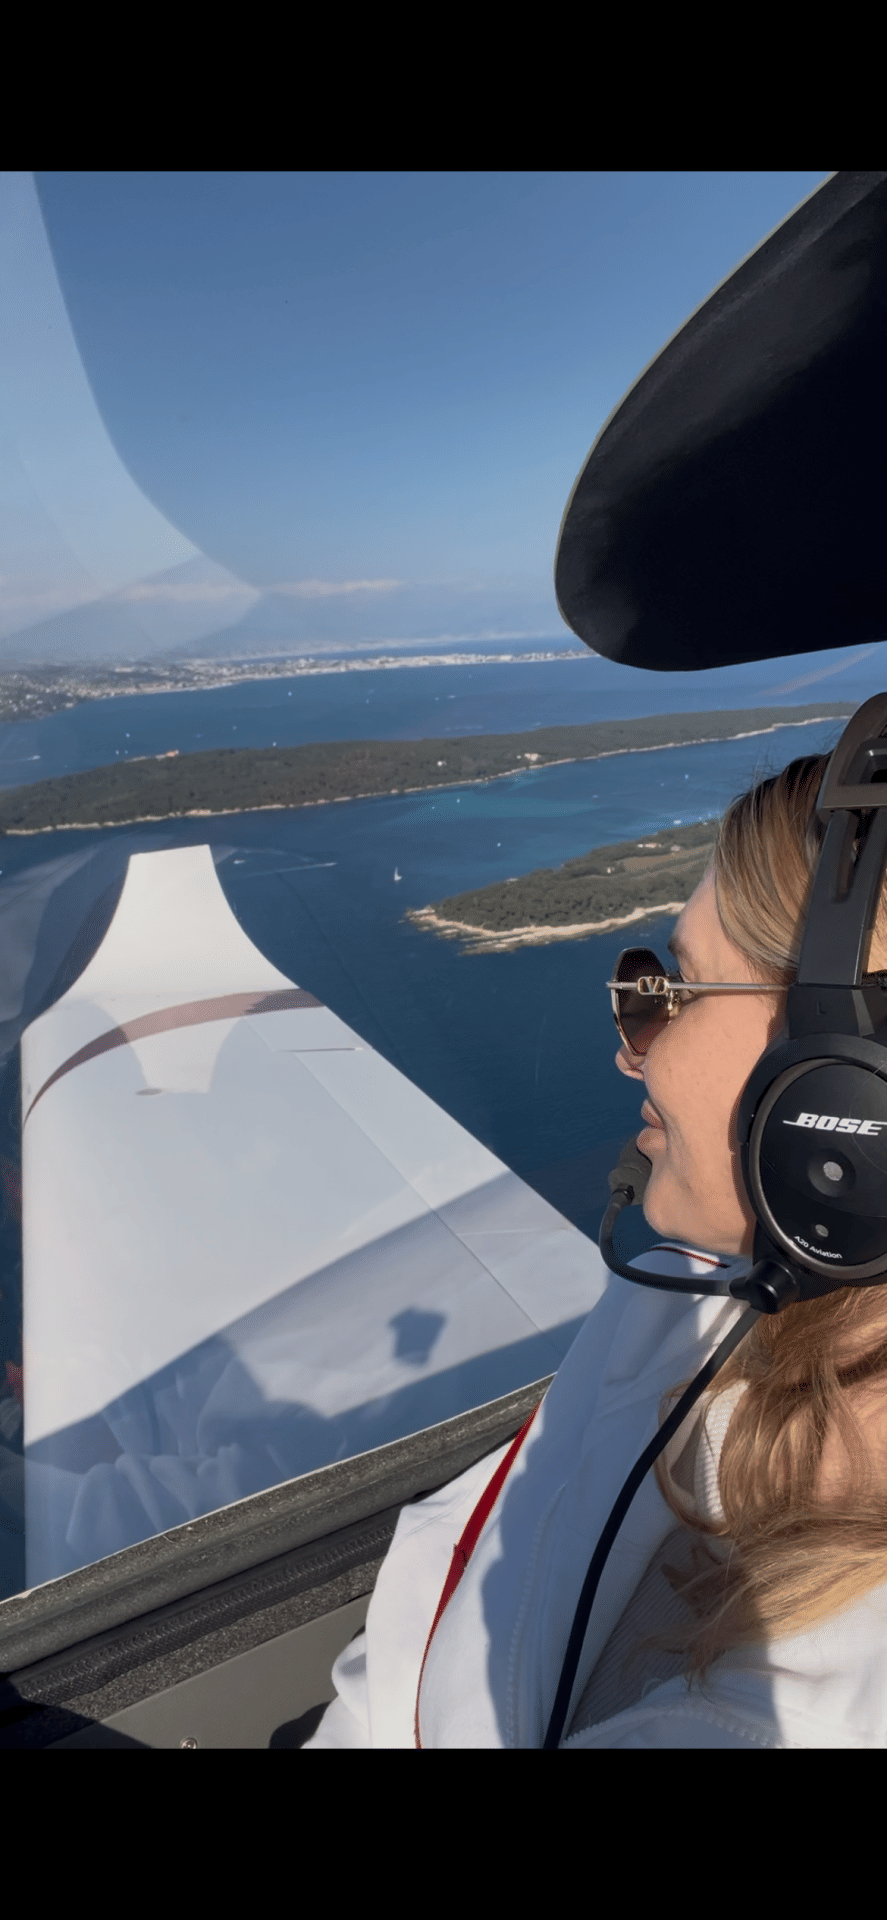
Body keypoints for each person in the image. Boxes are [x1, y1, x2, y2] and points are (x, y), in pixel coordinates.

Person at [305, 747, 887, 1747]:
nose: (628, 1045)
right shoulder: (677, 1304)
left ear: (845, 1081)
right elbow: (410, 1651)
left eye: (676, 988)